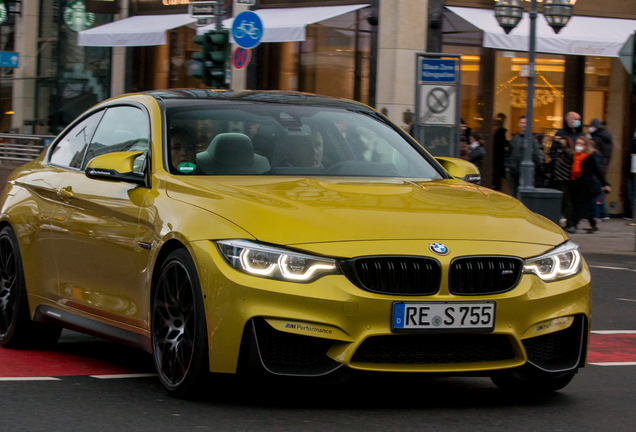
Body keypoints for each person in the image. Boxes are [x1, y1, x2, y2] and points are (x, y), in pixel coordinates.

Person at [570, 136, 611, 234]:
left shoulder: (589, 157)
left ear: (585, 146)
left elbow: (597, 172)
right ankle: (593, 224)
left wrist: (605, 184)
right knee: (585, 207)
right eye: (577, 143)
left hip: (586, 185)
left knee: (578, 205)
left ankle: (574, 225)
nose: (578, 145)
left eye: (581, 144)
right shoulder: (575, 156)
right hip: (575, 184)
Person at [505, 116, 544, 197]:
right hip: (513, 173)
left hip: (526, 174)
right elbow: (509, 153)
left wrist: (534, 172)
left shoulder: (533, 140)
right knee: (513, 196)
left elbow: (537, 157)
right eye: (522, 123)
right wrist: (507, 166)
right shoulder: (514, 138)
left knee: (524, 196)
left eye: (526, 123)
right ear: (519, 124)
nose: (524, 125)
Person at [589, 118, 613, 220]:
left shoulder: (597, 137)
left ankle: (600, 213)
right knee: (598, 190)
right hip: (604, 165)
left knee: (596, 191)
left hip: (597, 165)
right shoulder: (606, 136)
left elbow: (593, 150)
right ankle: (603, 213)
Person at [551, 134, 575, 230]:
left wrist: (562, 146)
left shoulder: (569, 154)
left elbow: (570, 154)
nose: (560, 147)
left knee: (567, 203)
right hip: (558, 181)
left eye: (562, 145)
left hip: (565, 182)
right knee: (562, 204)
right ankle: (564, 222)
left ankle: (570, 223)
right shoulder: (560, 155)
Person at [492, 113, 508, 191]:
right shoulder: (498, 130)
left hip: (498, 156)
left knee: (497, 174)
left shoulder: (500, 130)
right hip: (497, 156)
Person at [623, 127, 636, 220]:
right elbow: (627, 157)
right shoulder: (631, 142)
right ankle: (633, 214)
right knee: (630, 194)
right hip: (630, 172)